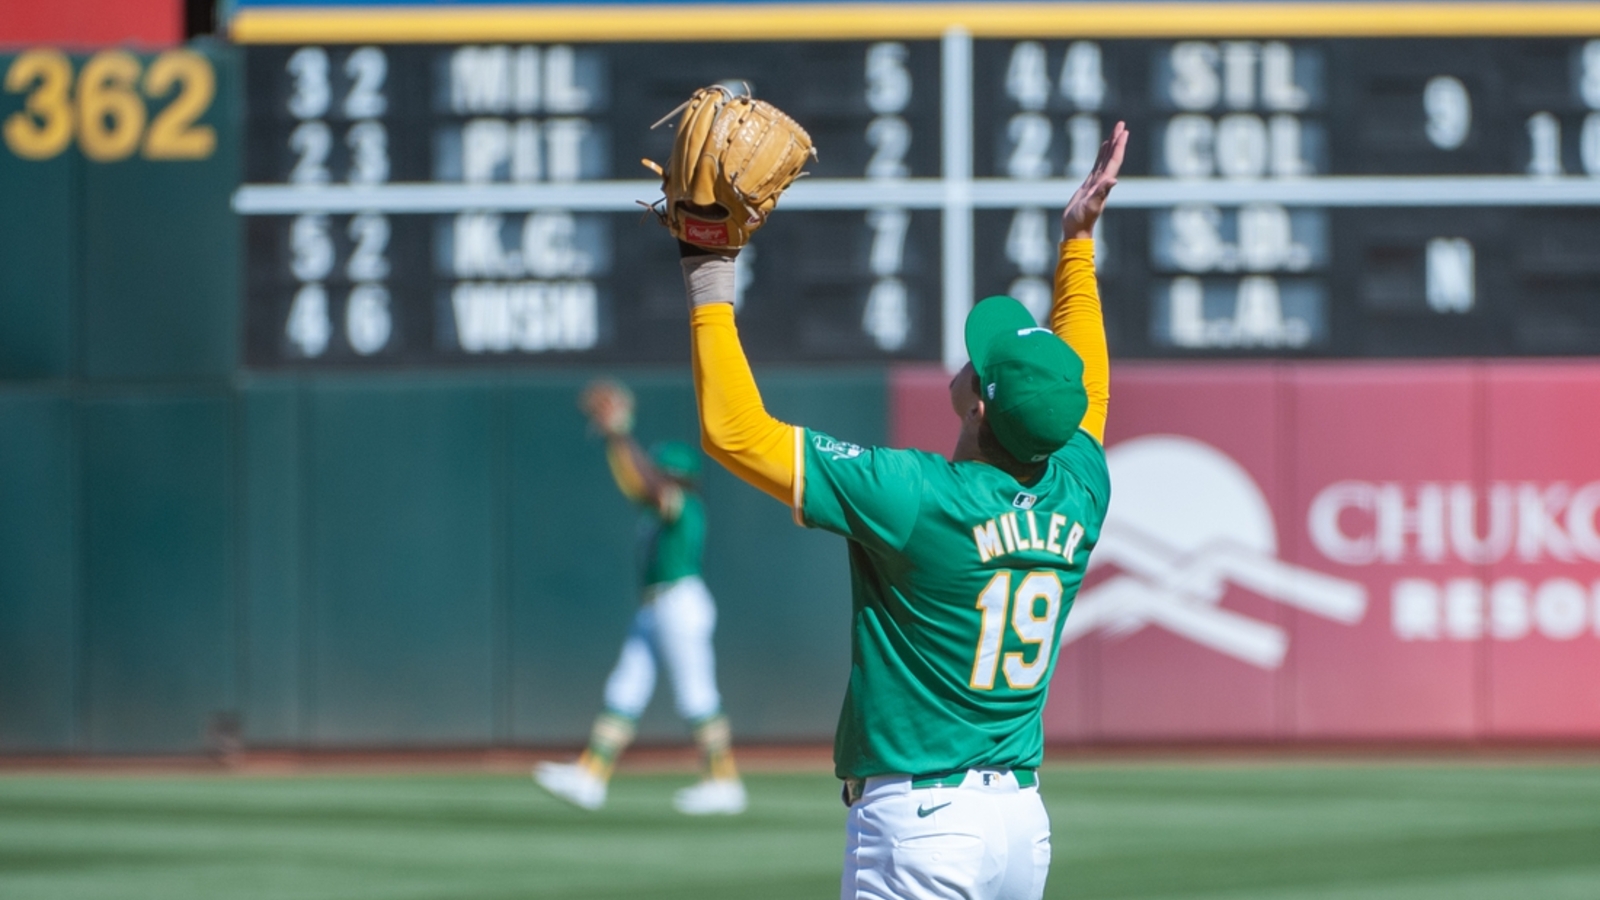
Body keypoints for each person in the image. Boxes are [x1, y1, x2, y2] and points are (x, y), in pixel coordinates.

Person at [673, 122, 1128, 897]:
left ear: (979, 406)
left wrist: (706, 266)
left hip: (924, 822)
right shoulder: (1082, 485)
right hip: (1020, 825)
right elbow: (1083, 386)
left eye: (979, 362)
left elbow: (733, 432)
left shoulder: (918, 497)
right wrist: (1077, 244)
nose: (970, 359)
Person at [533, 379, 746, 815]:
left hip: (680, 604)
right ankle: (591, 775)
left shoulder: (683, 504)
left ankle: (725, 782)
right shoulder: (661, 506)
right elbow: (639, 482)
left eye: (663, 470)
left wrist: (620, 434)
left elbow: (646, 484)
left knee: (696, 694)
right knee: (625, 686)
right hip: (657, 607)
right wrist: (616, 440)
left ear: (677, 476)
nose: (656, 473)